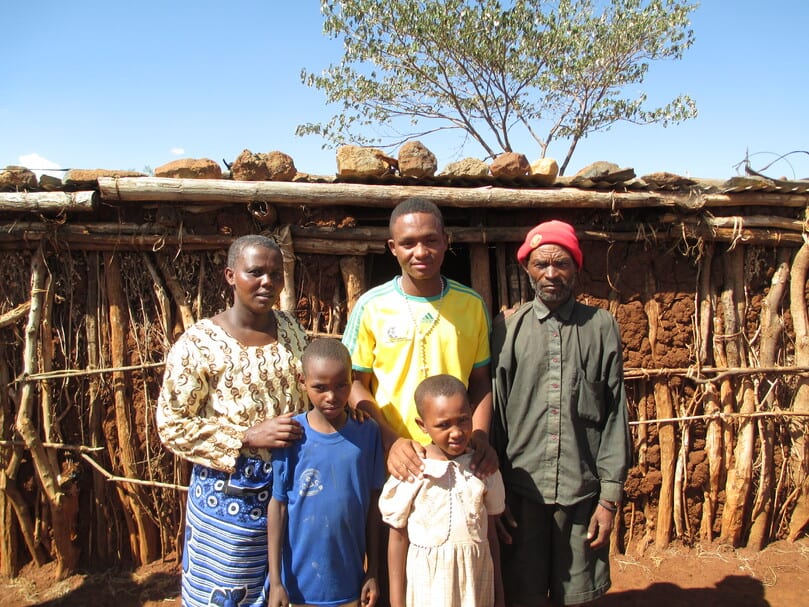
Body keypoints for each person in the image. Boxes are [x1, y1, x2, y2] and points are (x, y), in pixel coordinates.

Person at [156, 234, 309, 607]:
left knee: (288, 588)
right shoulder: (198, 345)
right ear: (230, 275)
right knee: (228, 593)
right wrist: (247, 435)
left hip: (291, 488)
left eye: (275, 274)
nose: (267, 282)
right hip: (230, 499)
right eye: (255, 272)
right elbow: (171, 425)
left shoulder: (291, 330)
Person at [491, 220, 631, 607]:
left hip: (582, 495)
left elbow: (615, 415)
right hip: (521, 496)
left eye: (561, 263)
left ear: (576, 267)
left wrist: (608, 499)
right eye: (541, 264)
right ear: (527, 269)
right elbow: (497, 417)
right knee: (524, 593)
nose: (551, 273)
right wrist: (495, 496)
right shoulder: (507, 329)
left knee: (579, 596)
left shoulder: (601, 327)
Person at [342, 197, 497, 480]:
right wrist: (390, 439)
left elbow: (481, 382)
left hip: (456, 458)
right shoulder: (370, 306)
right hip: (391, 455)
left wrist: (479, 437)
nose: (421, 252)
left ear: (446, 241)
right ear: (392, 247)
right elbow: (354, 384)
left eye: (431, 240)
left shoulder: (472, 305)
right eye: (408, 243)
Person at [267, 338, 385, 607]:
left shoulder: (367, 433)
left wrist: (373, 571)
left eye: (341, 385)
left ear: (352, 378)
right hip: (297, 586)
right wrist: (276, 582)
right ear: (303, 382)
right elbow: (278, 507)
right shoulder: (291, 435)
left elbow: (372, 507)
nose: (332, 397)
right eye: (320, 387)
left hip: (349, 584)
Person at [380, 374, 506, 607]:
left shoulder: (483, 467)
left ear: (472, 412)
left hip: (475, 586)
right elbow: (397, 540)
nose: (456, 432)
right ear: (422, 425)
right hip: (430, 590)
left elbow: (491, 537)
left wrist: (499, 596)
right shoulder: (414, 469)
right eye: (443, 425)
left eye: (463, 420)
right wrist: (396, 603)